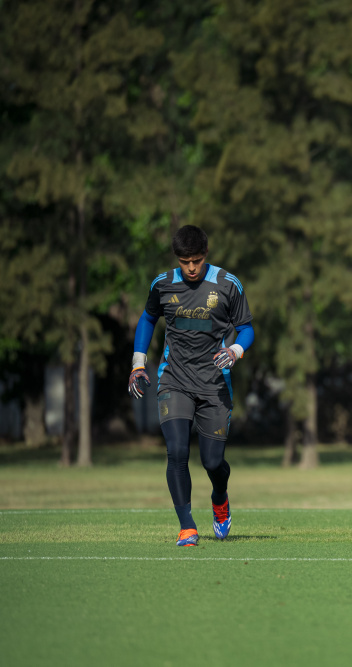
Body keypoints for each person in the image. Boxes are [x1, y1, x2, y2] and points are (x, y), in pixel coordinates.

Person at [128, 225, 254, 547]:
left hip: (214, 384)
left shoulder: (228, 285)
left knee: (212, 462)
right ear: (177, 259)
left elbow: (246, 328)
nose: (192, 268)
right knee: (177, 451)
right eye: (186, 262)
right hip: (175, 379)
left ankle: (220, 498)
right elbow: (147, 319)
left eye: (197, 260)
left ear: (206, 255)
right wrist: (138, 364)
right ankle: (187, 527)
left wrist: (234, 350)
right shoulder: (162, 284)